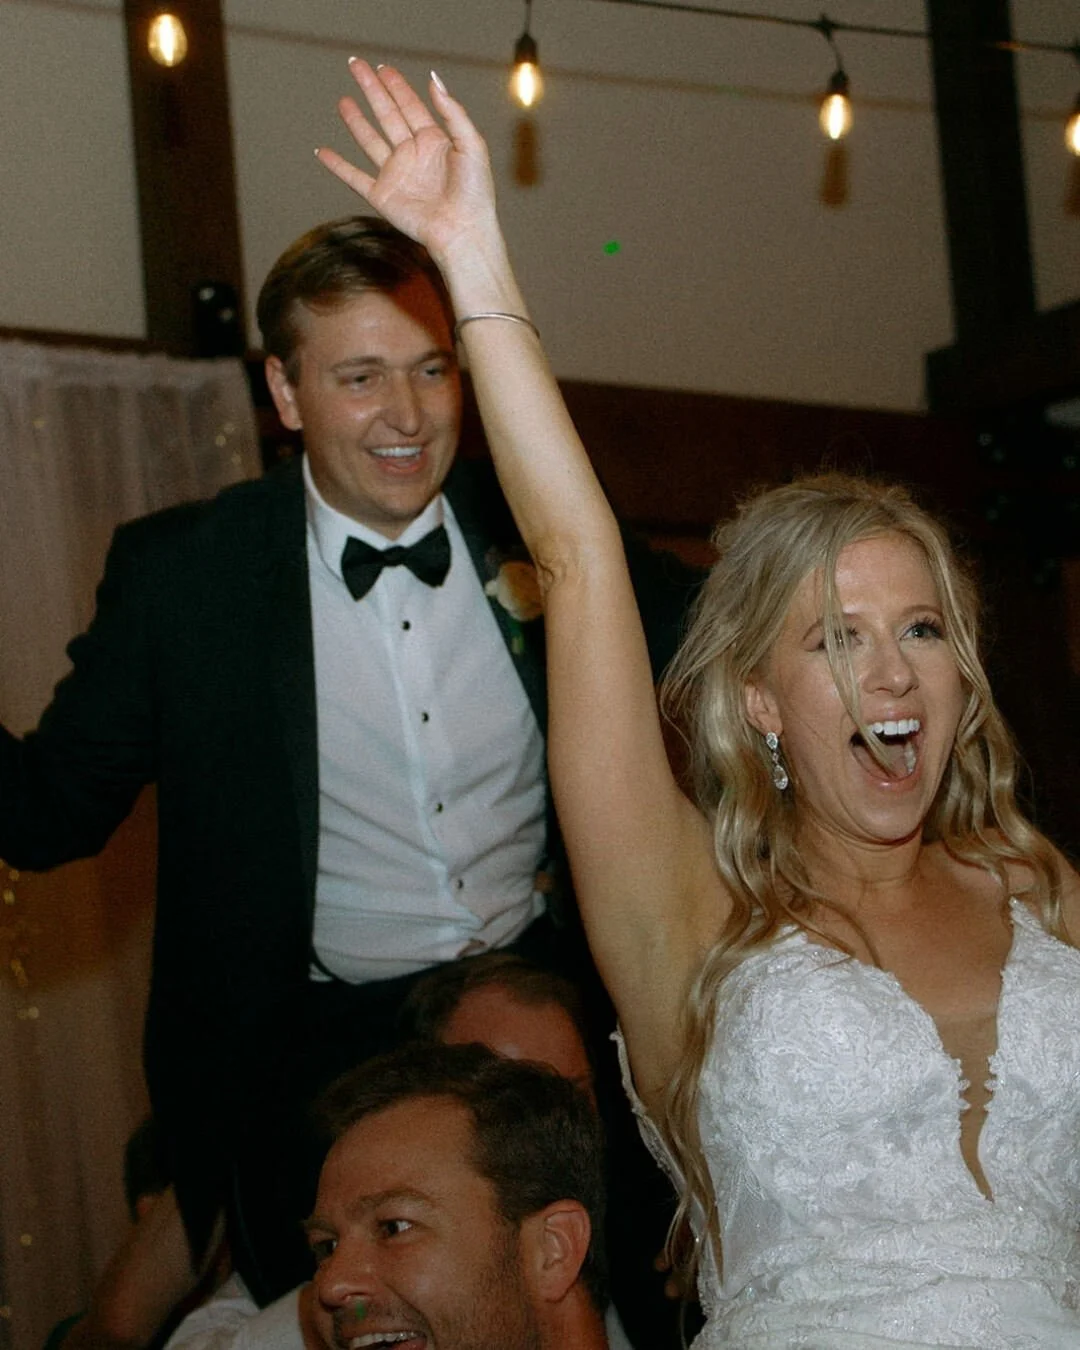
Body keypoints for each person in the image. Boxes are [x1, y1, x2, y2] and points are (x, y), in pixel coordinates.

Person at [315, 59, 1080, 1347]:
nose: (889, 673)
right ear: (761, 705)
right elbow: (574, 551)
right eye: (835, 640)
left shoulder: (1044, 894)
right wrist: (469, 257)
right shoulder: (690, 914)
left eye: (923, 631)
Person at [0, 210, 696, 1305]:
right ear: (285, 394)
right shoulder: (189, 579)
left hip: (545, 1013)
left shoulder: (538, 521)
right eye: (361, 377)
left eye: (431, 371)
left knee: (613, 1300)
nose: (408, 417)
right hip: (321, 1053)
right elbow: (44, 813)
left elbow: (715, 633)